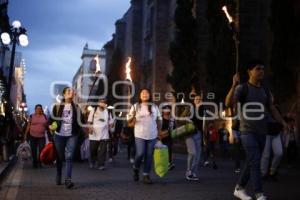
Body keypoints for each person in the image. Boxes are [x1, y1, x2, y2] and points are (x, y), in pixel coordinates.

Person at [225, 60, 288, 200]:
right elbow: (228, 103)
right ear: (250, 72)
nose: (261, 71)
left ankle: (239, 188)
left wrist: (283, 122)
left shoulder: (265, 90)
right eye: (258, 68)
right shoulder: (242, 88)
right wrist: (233, 85)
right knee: (255, 161)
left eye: (263, 69)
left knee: (252, 160)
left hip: (262, 132)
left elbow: (272, 109)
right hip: (247, 131)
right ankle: (259, 193)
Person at [49, 87, 84, 189]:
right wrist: (51, 126)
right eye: (68, 91)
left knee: (69, 157)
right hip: (59, 135)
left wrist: (82, 113)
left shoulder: (77, 107)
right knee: (60, 157)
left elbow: (81, 121)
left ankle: (68, 179)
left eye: (72, 91)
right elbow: (52, 120)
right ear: (64, 94)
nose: (71, 92)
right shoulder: (57, 106)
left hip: (72, 135)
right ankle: (59, 174)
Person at [128, 88, 162, 184]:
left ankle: (146, 175)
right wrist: (133, 120)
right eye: (142, 93)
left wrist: (159, 132)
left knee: (149, 156)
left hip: (152, 135)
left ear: (149, 95)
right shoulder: (135, 107)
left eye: (146, 93)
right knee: (140, 153)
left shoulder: (154, 107)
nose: (144, 94)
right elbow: (129, 122)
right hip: (139, 134)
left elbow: (159, 120)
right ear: (140, 96)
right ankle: (135, 168)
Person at [87, 99, 114, 170]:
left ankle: (101, 164)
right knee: (93, 149)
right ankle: (92, 161)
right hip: (94, 134)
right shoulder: (94, 110)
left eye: (104, 102)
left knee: (103, 150)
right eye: (101, 102)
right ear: (98, 103)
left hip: (104, 134)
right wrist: (90, 128)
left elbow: (111, 122)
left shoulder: (108, 112)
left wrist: (111, 125)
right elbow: (89, 121)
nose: (103, 104)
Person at [24, 104, 48, 168]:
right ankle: (35, 162)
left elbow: (47, 126)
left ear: (41, 109)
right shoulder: (32, 116)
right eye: (37, 108)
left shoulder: (45, 116)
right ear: (35, 109)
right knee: (33, 150)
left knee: (41, 149)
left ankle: (39, 162)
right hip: (32, 136)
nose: (39, 109)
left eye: (40, 108)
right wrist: (25, 134)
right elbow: (28, 126)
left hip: (41, 136)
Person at [261, 113, 284, 181]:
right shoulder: (264, 106)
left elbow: (279, 117)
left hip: (276, 133)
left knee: (279, 153)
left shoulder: (275, 108)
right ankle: (263, 173)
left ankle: (272, 172)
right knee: (266, 155)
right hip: (266, 133)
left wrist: (284, 124)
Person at [159, 105, 175, 171]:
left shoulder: (172, 119)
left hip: (169, 136)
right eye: (165, 109)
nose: (167, 111)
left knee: (169, 150)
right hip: (160, 136)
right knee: (161, 151)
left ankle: (169, 163)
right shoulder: (160, 118)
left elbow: (174, 127)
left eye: (168, 109)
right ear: (163, 111)